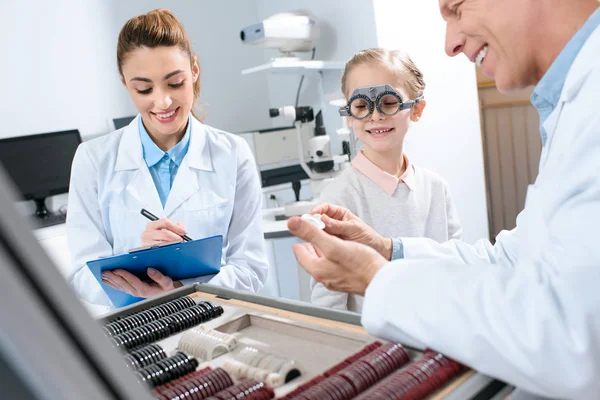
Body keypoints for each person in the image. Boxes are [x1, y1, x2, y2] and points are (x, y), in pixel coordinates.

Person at [287, 0, 600, 398]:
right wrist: (385, 249)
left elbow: (573, 340)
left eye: (456, 7)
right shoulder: (573, 104)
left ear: (414, 109)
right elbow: (511, 258)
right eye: (362, 106)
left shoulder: (589, 103)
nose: (450, 43)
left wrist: (377, 279)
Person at [67, 9, 268, 307]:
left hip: (215, 318)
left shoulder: (233, 153)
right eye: (144, 89)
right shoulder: (93, 159)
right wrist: (141, 264)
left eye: (174, 83)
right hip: (136, 327)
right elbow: (82, 276)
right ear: (125, 83)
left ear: (194, 71)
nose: (162, 101)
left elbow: (251, 270)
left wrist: (181, 288)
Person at [311, 48, 461, 313]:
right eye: (360, 105)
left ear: (416, 109)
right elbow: (329, 299)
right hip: (373, 345)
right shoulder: (337, 199)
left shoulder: (436, 188)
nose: (375, 115)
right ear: (348, 115)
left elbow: (455, 267)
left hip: (436, 334)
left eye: (388, 102)